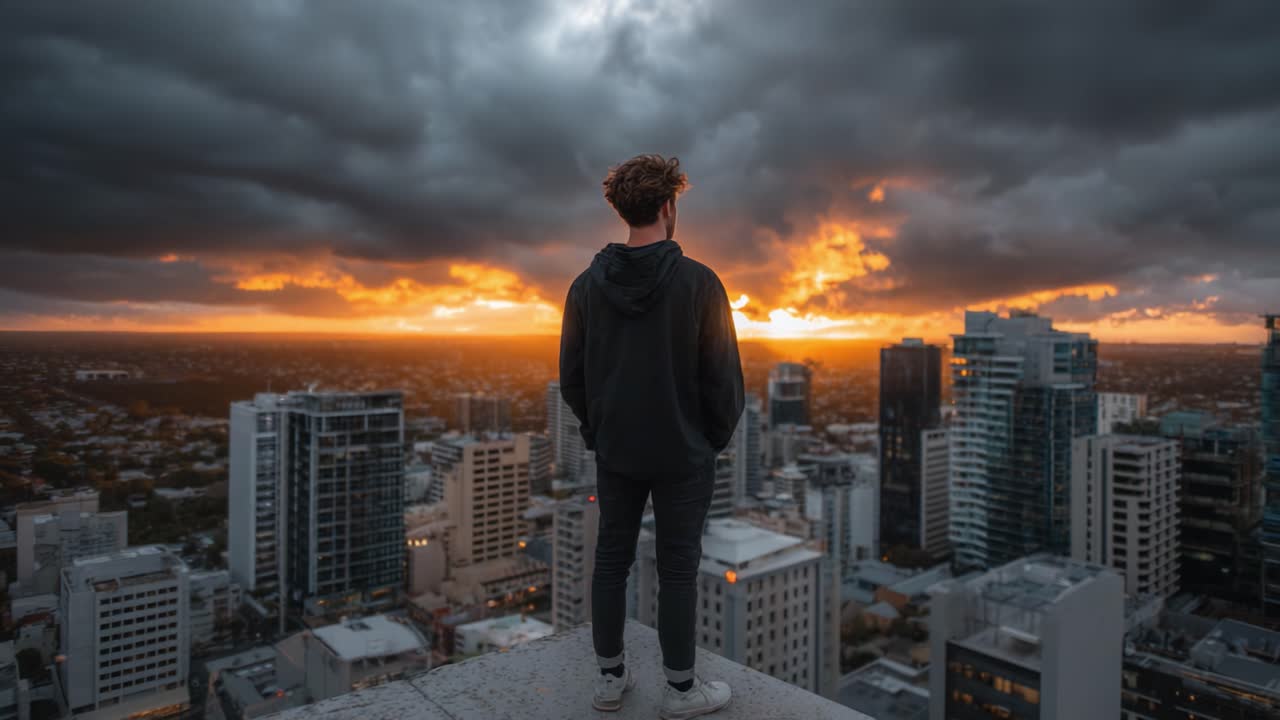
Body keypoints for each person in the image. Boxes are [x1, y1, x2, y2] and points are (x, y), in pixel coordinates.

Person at [559, 154, 745, 718]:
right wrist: (708, 440)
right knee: (678, 568)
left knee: (611, 559)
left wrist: (599, 432)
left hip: (618, 451)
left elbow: (572, 378)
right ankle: (682, 691)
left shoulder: (586, 287)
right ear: (669, 207)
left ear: (623, 209)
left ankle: (610, 680)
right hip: (684, 453)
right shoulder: (700, 283)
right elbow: (724, 378)